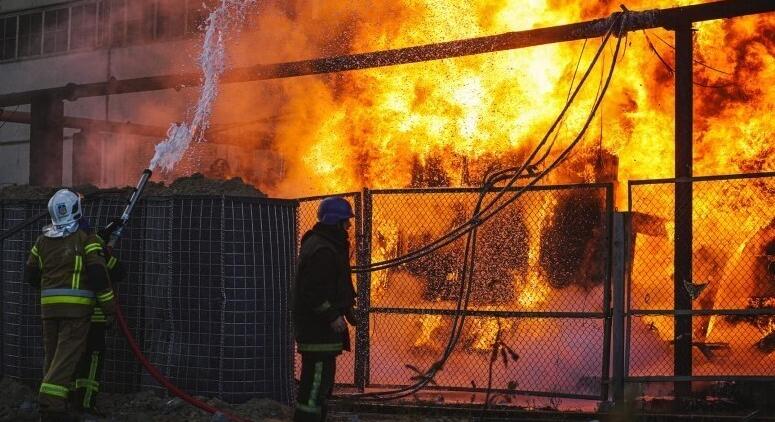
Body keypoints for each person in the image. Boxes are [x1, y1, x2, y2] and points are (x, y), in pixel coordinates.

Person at [24, 189, 117, 422]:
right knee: (66, 357)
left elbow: (31, 275)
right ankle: (51, 405)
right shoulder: (86, 239)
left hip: (49, 310)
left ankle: (56, 404)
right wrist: (110, 309)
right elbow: (98, 277)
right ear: (77, 209)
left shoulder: (41, 240)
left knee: (53, 356)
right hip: (76, 312)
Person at [293, 197, 357, 422]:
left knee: (321, 384)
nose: (349, 226)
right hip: (317, 331)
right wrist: (331, 315)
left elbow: (336, 284)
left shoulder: (327, 244)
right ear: (335, 222)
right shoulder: (323, 249)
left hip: (320, 331)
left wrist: (347, 308)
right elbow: (312, 291)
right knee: (316, 383)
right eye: (345, 221)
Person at [70, 219, 126, 417]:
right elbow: (118, 272)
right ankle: (86, 405)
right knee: (93, 359)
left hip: (70, 317)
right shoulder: (95, 253)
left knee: (70, 358)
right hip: (94, 317)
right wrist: (104, 249)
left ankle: (69, 402)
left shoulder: (65, 251)